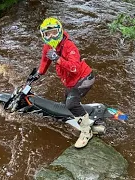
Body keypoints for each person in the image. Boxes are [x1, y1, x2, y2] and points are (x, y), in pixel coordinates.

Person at [33, 17, 95, 148]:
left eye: (54, 33)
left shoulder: (69, 46)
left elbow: (75, 68)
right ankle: (83, 118)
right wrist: (38, 74)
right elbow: (45, 61)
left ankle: (86, 131)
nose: (51, 37)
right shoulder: (48, 46)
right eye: (47, 34)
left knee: (71, 103)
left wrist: (58, 59)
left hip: (84, 78)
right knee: (67, 102)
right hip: (72, 81)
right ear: (43, 35)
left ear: (60, 31)